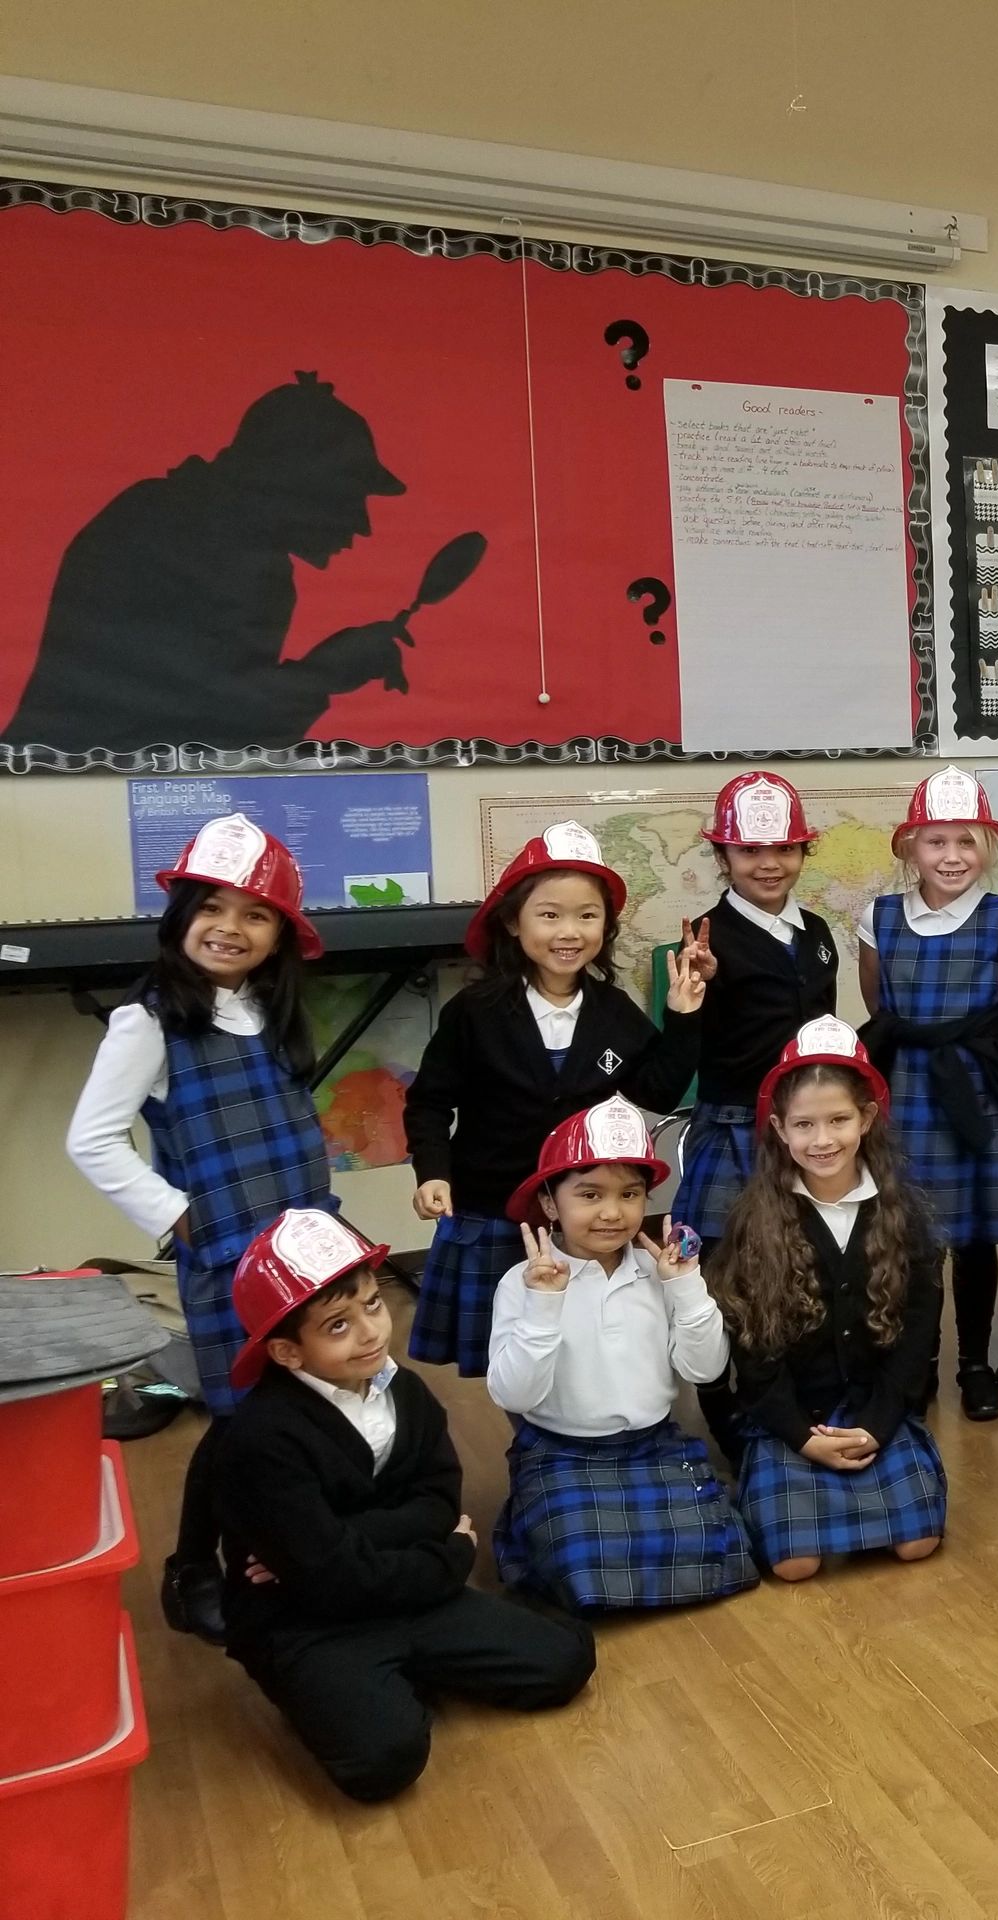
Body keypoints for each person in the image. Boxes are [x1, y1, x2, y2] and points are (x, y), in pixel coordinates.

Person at [214, 1209, 595, 1803]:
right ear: (289, 1353)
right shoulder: (263, 1439)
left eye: (372, 1304)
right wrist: (450, 1557)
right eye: (337, 1325)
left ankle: (402, 1667)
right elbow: (332, 1582)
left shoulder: (407, 1393)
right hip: (307, 1621)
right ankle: (344, 1683)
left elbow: (437, 1502)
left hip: (400, 1594)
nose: (370, 1332)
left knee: (564, 1660)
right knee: (383, 1762)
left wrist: (351, 1536)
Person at [66, 812, 332, 1645]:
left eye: (254, 915)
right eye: (210, 908)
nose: (230, 928)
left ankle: (280, 1553)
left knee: (299, 1408)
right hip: (226, 1255)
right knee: (239, 1419)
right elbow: (91, 1138)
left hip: (307, 1247)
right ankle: (192, 1567)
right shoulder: (148, 1022)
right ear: (180, 918)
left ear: (279, 936)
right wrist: (175, 1213)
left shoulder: (268, 1010)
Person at [405, 823, 708, 1377]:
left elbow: (656, 1092)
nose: (569, 931)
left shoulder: (613, 1011)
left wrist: (685, 1019)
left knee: (575, 1350)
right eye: (549, 915)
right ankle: (534, 1451)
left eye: (587, 916)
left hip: (581, 1215)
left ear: (605, 927)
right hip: (490, 1210)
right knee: (508, 1356)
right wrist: (431, 1171)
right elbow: (428, 1102)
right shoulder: (475, 1011)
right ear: (512, 923)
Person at [6, 371, 436, 752]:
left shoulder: (208, 532)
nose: (361, 525)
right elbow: (208, 721)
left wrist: (324, 672)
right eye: (349, 496)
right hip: (70, 795)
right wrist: (325, 672)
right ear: (294, 481)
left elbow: (222, 731)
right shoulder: (179, 529)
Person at [485, 1097, 757, 1613]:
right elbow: (513, 1393)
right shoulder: (521, 1285)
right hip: (561, 1450)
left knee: (719, 1547)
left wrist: (687, 1290)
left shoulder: (662, 1273)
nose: (612, 1212)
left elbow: (706, 1369)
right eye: (589, 1194)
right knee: (579, 1566)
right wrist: (545, 1304)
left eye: (630, 1194)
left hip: (652, 1445)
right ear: (549, 1203)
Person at [710, 1019, 947, 1582]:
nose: (823, 1140)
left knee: (918, 1544)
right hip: (792, 1421)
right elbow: (753, 1349)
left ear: (866, 1118)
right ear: (778, 1128)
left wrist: (878, 1425)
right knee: (795, 1564)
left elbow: (918, 1338)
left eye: (839, 1119)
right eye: (805, 1124)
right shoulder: (755, 1220)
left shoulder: (904, 1215)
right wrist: (799, 1436)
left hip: (874, 1412)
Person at [857, 767, 998, 1423]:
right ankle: (919, 1364)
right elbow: (879, 1002)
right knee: (912, 1238)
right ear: (910, 847)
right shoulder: (878, 917)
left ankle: (974, 1365)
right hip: (906, 1087)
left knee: (975, 1238)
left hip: (974, 1090)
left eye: (966, 842)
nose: (952, 856)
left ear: (988, 847)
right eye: (936, 842)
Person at [674, 773, 842, 1250]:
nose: (770, 864)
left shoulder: (816, 930)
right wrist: (699, 989)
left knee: (812, 1255)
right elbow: (686, 1043)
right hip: (734, 1124)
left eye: (785, 849)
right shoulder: (707, 942)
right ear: (722, 858)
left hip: (809, 1123)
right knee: (725, 1261)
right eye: (750, 851)